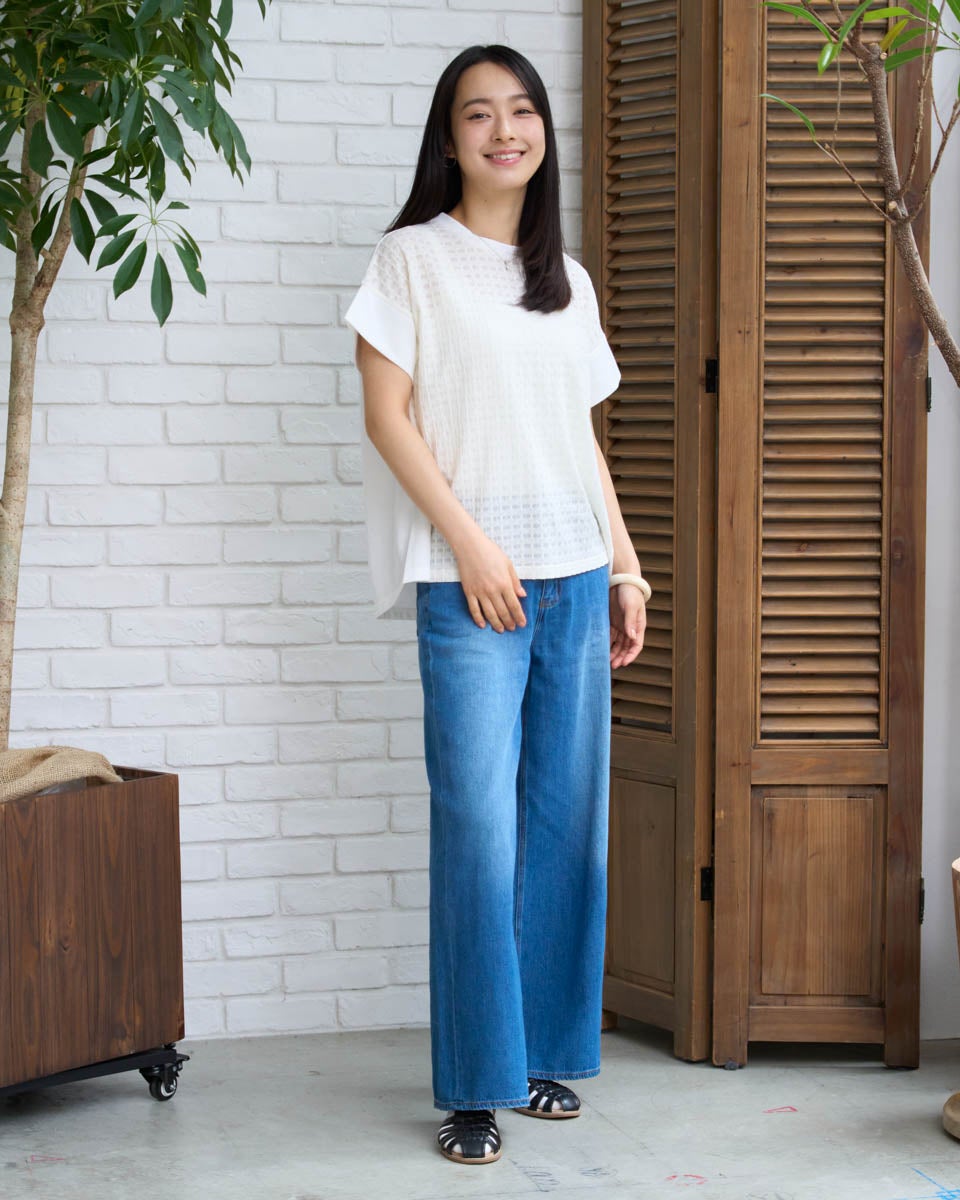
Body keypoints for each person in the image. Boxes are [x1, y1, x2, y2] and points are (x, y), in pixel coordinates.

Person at [344, 43, 649, 1167]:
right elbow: (388, 417)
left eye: (522, 111)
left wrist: (626, 567)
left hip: (574, 575)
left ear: (542, 135)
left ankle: (542, 1055)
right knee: (478, 828)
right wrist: (469, 544)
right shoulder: (411, 259)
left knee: (566, 826)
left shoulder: (568, 279)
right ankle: (475, 1083)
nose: (504, 131)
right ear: (450, 137)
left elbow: (578, 441)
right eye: (479, 114)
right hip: (470, 579)